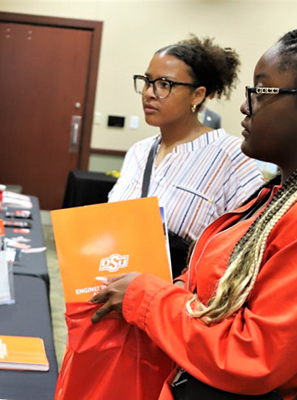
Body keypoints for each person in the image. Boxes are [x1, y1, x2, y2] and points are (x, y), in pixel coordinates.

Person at [92, 12, 297, 399]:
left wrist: (147, 298)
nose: (245, 108)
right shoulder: (295, 191)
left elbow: (250, 354)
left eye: (261, 92)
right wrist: (168, 290)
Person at [109, 36, 265, 276]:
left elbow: (247, 247)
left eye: (164, 84)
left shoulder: (232, 157)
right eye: (147, 81)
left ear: (197, 95)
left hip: (178, 301)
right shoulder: (139, 152)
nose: (149, 93)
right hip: (119, 290)